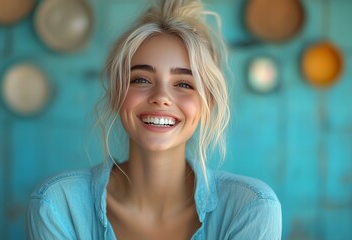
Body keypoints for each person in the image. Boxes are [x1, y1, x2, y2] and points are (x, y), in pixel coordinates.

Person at [27, 0, 282, 239]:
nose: (161, 97)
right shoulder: (57, 204)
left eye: (184, 83)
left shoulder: (251, 209)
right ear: (117, 94)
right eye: (141, 80)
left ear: (207, 105)